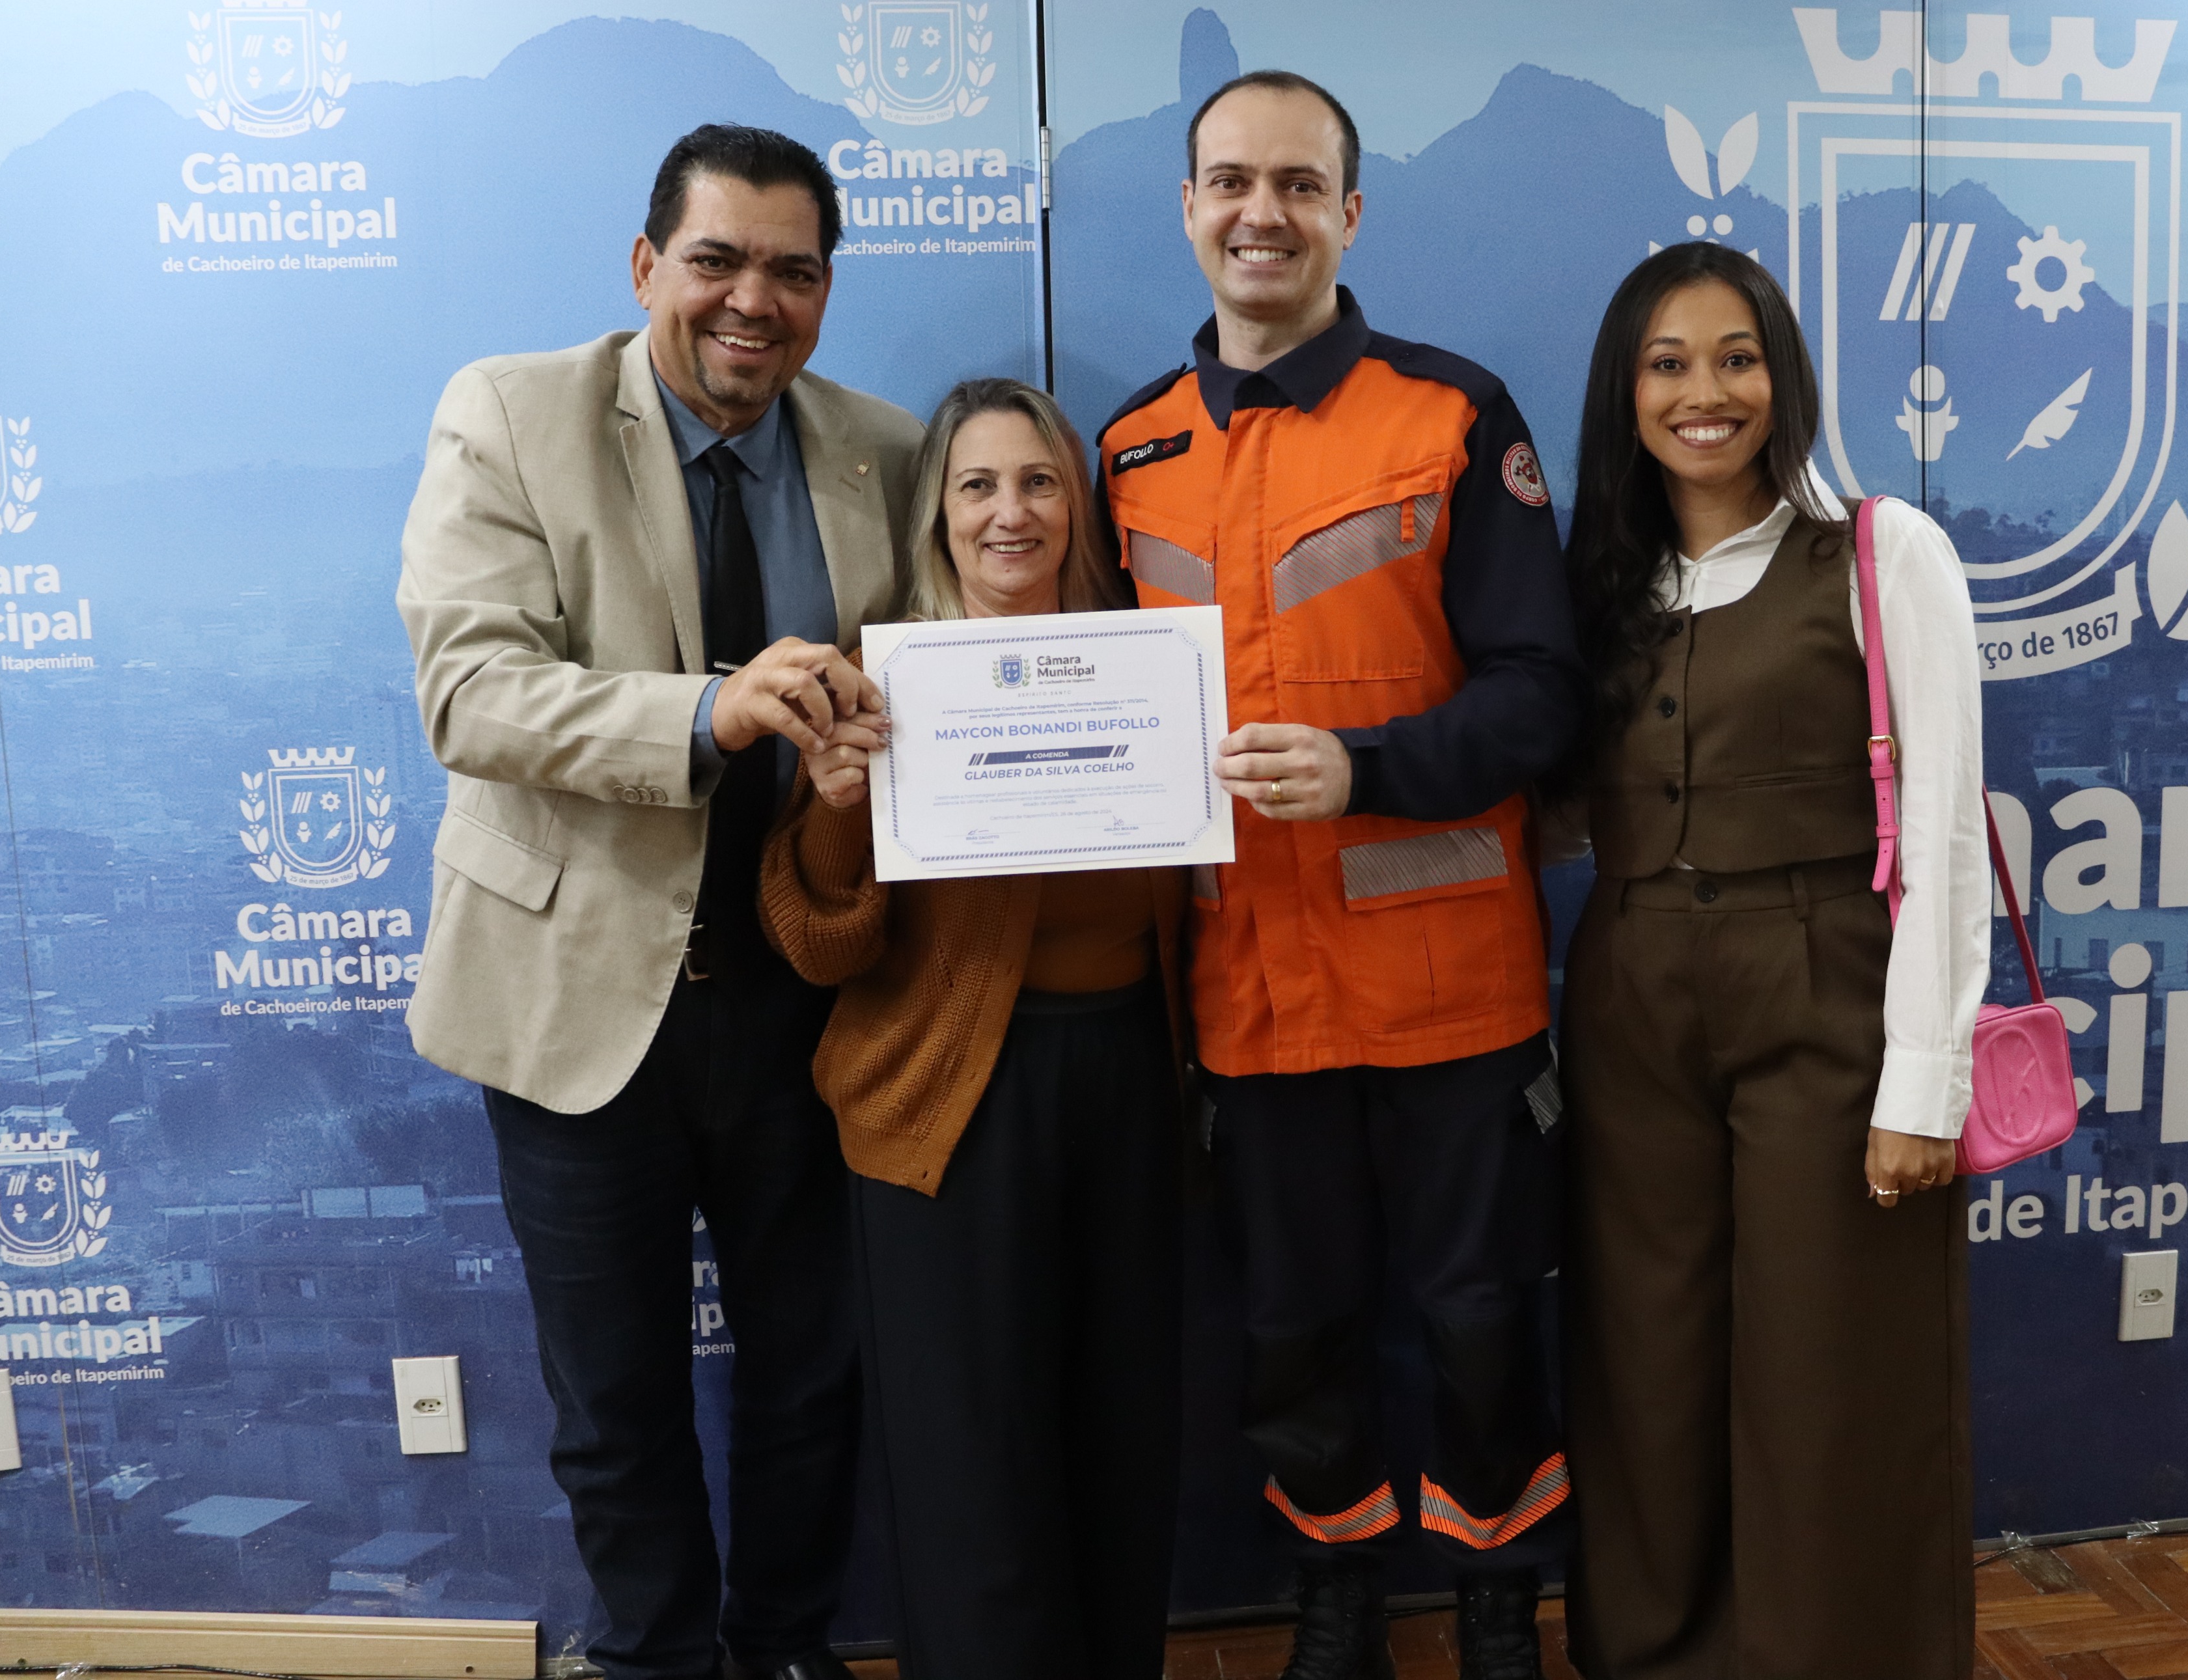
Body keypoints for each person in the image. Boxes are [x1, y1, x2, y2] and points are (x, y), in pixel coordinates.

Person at [397, 124, 922, 1680]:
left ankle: (786, 1648)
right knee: (614, 1399)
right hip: (573, 999)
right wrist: (708, 712)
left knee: (811, 1378)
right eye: (717, 261)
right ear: (646, 267)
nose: (753, 300)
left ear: (825, 291)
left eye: (793, 271)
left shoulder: (886, 452)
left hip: (805, 1001)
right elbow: (471, 692)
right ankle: (653, 1657)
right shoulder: (511, 413)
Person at [1097, 69, 1586, 1680]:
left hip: (1453, 994)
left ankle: (1500, 1594)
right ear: (1188, 209)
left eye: (1299, 185)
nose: (1264, 214)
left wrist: (1363, 773)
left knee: (1481, 1317)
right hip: (1249, 996)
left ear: (1350, 214)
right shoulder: (1129, 450)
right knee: (1289, 1333)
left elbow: (1540, 694)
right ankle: (1337, 1592)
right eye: (1232, 182)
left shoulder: (1451, 414)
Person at [1554, 241, 1987, 1679]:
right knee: (1648, 1353)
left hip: (1824, 992)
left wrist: (1924, 1079)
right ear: (1625, 392)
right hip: (1628, 997)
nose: (1706, 392)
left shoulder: (1880, 553)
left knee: (1830, 1360)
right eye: (1668, 363)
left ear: (1783, 378)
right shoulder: (1598, 588)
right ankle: (1658, 1655)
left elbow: (1944, 820)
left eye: (1736, 358)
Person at [756, 378, 1189, 1680]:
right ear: (935, 514)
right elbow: (819, 944)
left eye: (1040, 481)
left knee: (1121, 1442)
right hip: (945, 1104)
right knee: (972, 1467)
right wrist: (842, 804)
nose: (1013, 513)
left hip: (1131, 1084)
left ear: (1080, 506)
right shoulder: (879, 674)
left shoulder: (1154, 664)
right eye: (979, 486)